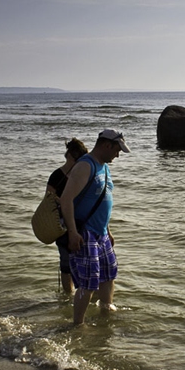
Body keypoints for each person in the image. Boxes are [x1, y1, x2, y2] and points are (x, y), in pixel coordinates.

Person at [60, 129, 130, 325]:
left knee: (109, 275)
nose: (118, 155)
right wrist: (73, 233)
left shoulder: (104, 167)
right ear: (107, 145)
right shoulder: (85, 166)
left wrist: (108, 231)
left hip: (102, 234)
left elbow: (101, 201)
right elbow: (66, 200)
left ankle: (106, 313)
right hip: (85, 233)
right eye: (117, 150)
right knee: (89, 282)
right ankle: (78, 325)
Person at [46, 138, 88, 293]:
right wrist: (64, 201)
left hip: (82, 222)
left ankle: (79, 294)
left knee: (82, 261)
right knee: (66, 263)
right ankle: (68, 297)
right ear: (71, 156)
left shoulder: (82, 174)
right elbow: (48, 200)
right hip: (62, 225)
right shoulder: (57, 176)